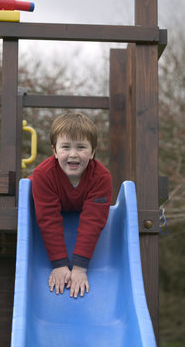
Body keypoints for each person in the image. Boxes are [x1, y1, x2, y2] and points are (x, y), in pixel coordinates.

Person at [29, 112, 112, 298]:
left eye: (81, 147)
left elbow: (93, 221)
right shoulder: (44, 175)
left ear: (93, 152)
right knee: (27, 189)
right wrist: (59, 264)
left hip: (79, 205)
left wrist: (80, 267)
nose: (73, 154)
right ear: (54, 150)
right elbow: (48, 220)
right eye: (65, 147)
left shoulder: (101, 177)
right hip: (46, 201)